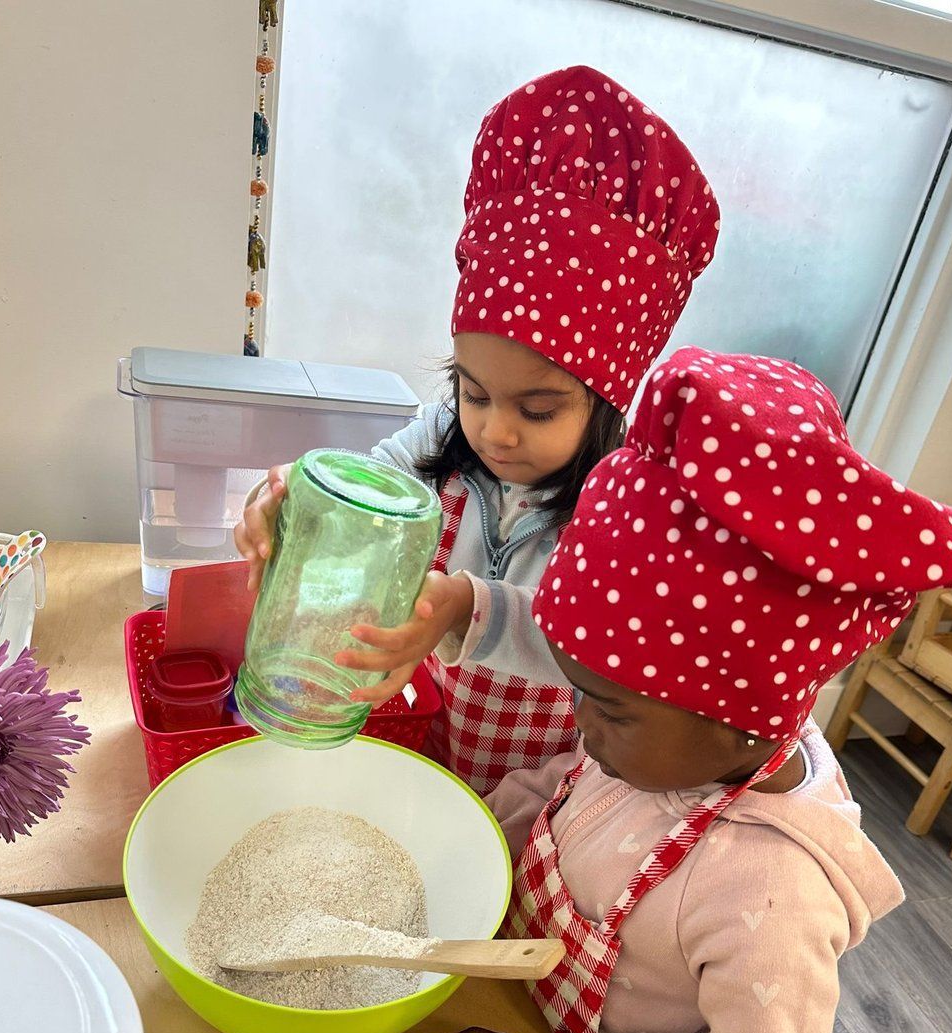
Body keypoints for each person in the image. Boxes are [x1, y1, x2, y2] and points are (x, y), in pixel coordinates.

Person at [428, 345, 952, 1033]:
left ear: (740, 721)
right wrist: (470, 834)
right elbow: (564, 802)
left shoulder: (770, 900)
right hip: (499, 998)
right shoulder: (648, 743)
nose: (579, 723)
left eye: (606, 707)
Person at [235, 64, 719, 795]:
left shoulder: (625, 508)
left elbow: (582, 639)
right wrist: (288, 496)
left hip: (538, 777)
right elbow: (365, 487)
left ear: (606, 401)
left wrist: (469, 605)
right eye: (473, 389)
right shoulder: (442, 438)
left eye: (538, 409)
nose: (494, 430)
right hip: (423, 727)